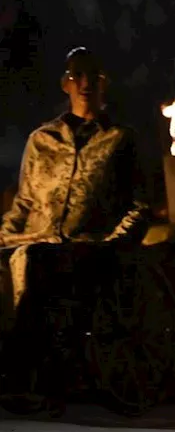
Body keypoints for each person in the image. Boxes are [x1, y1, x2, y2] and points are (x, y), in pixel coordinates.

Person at [0, 47, 149, 409]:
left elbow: (139, 205)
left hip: (88, 246)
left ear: (104, 83)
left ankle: (24, 379)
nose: (85, 83)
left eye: (93, 76)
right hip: (37, 238)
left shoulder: (120, 140)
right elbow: (24, 202)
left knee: (38, 263)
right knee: (30, 257)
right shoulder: (42, 140)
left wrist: (112, 245)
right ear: (65, 83)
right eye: (77, 75)